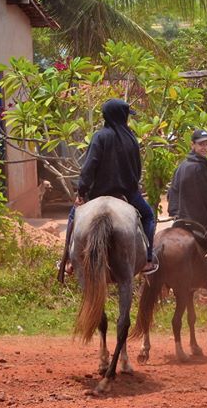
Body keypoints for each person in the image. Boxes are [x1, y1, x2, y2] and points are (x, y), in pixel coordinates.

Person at [64, 99, 157, 279]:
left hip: (97, 193)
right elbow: (137, 169)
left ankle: (68, 260)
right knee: (148, 216)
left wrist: (82, 192)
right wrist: (132, 185)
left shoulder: (99, 136)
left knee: (72, 217)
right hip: (127, 194)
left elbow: (89, 166)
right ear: (122, 117)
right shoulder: (131, 139)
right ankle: (147, 259)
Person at [166, 129, 207, 230]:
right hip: (196, 220)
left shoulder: (182, 165)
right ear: (192, 145)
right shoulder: (199, 167)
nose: (205, 148)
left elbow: (171, 193)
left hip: (179, 219)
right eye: (201, 144)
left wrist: (175, 213)